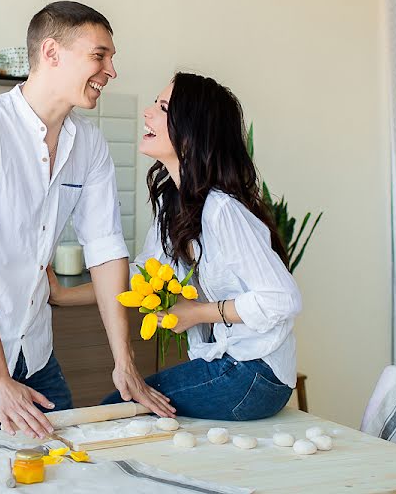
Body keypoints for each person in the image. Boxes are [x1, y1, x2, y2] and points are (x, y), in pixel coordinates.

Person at [0, 1, 174, 439]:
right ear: (52, 52)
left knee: (65, 471)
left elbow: (107, 250)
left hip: (35, 349)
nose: (111, 70)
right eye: (100, 55)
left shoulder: (89, 145)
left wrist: (124, 362)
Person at [48, 72, 301, 421]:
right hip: (236, 368)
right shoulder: (176, 204)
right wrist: (63, 295)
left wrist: (196, 313)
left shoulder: (221, 210)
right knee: (119, 410)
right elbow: (141, 274)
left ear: (192, 131)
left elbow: (282, 299)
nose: (148, 113)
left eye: (163, 108)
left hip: (254, 375)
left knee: (116, 413)